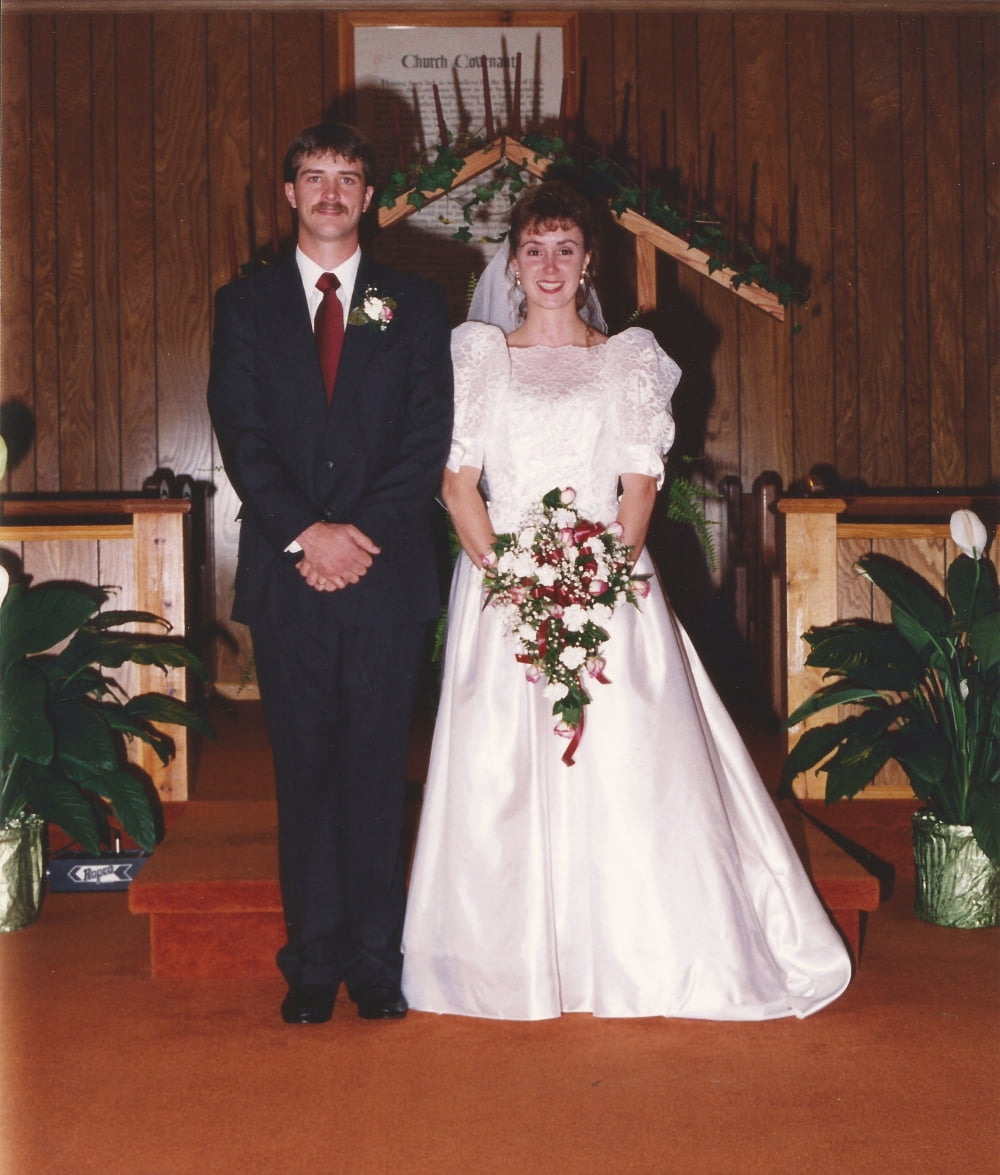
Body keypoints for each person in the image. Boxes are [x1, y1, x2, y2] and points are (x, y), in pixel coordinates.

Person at [401, 181, 852, 1021]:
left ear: (588, 263)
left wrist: (599, 571)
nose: (548, 265)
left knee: (627, 762)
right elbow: (459, 484)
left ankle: (642, 953)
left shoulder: (626, 359)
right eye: (533, 249)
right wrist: (512, 577)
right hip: (501, 587)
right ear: (512, 262)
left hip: (607, 581)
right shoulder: (480, 355)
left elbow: (639, 483)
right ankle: (504, 963)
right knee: (499, 768)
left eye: (565, 248)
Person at [208, 122, 453, 1025]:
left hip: (386, 576)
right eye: (314, 176)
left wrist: (358, 538)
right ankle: (312, 959)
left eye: (349, 178)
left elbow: (427, 436)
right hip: (286, 572)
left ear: (372, 197)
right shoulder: (246, 305)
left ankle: (376, 960)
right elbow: (242, 434)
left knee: (376, 768)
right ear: (289, 193)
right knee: (305, 768)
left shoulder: (417, 304)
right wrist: (309, 534)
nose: (332, 193)